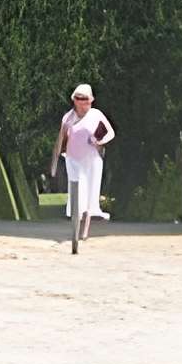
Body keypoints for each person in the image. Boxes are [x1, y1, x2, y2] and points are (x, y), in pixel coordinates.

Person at [50, 83, 115, 252]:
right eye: (79, 99)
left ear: (91, 100)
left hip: (92, 160)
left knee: (91, 193)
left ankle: (85, 230)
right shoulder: (68, 118)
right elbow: (61, 139)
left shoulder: (96, 115)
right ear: (74, 100)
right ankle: (75, 228)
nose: (82, 102)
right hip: (73, 160)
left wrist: (99, 140)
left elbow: (110, 132)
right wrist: (55, 161)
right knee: (77, 192)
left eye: (85, 99)